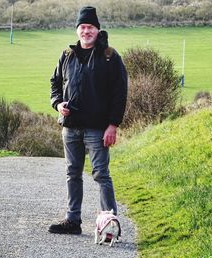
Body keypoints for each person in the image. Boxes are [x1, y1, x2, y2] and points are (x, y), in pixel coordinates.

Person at [48, 6, 127, 235]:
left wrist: (113, 125)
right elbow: (55, 83)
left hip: (97, 129)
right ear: (77, 30)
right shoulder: (67, 54)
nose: (86, 31)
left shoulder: (110, 56)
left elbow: (119, 93)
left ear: (97, 29)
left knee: (101, 174)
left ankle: (109, 224)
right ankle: (72, 221)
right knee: (72, 173)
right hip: (70, 127)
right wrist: (58, 103)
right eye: (82, 27)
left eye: (90, 27)